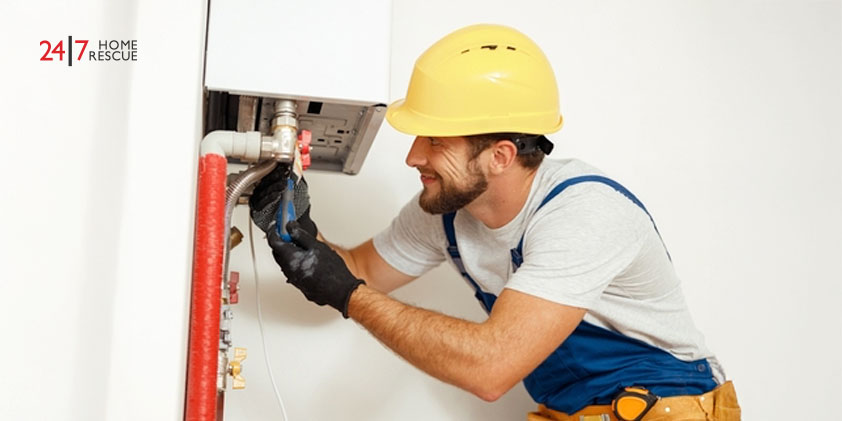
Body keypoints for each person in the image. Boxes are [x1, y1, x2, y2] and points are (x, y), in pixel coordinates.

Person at [249, 24, 741, 421]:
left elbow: (490, 368)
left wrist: (350, 298)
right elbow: (355, 269)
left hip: (665, 409)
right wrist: (294, 228)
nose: (414, 157)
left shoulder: (585, 213)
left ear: (501, 156)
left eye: (436, 141)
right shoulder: (442, 213)